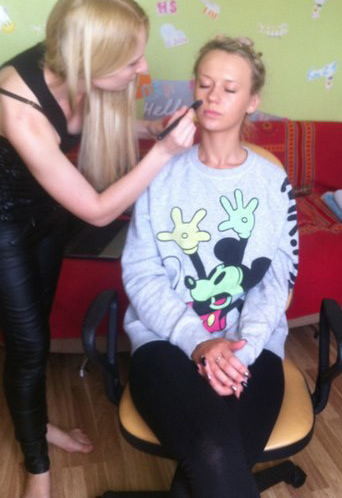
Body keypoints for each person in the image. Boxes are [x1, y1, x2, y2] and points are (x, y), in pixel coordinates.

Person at [0, 0, 196, 498]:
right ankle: (38, 470)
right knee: (27, 346)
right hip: (3, 223)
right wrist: (164, 153)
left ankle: (36, 422)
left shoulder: (71, 65)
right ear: (92, 59)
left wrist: (151, 127)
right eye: (131, 61)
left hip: (46, 212)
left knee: (37, 333)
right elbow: (98, 209)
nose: (143, 68)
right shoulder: (15, 103)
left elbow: (94, 127)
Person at [122, 36, 299, 497]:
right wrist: (198, 340)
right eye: (205, 84)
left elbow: (277, 278)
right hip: (164, 342)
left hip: (251, 347)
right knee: (216, 454)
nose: (214, 96)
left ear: (252, 101)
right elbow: (141, 273)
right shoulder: (160, 172)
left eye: (230, 88)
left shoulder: (272, 182)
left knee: (214, 462)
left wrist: (240, 350)